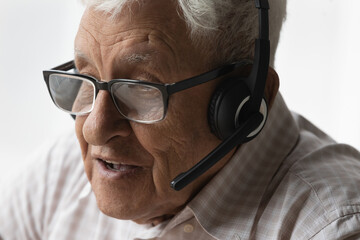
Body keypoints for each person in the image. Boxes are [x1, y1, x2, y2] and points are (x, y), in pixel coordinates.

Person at [1, 0, 360, 239]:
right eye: (86, 76)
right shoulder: (58, 178)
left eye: (140, 88)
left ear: (243, 104)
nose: (95, 128)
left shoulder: (331, 227)